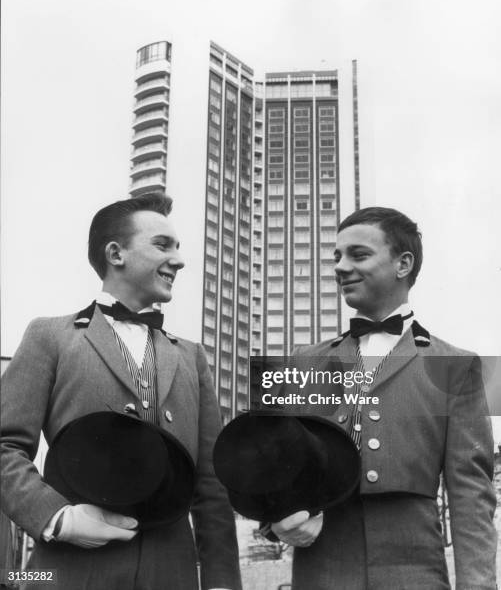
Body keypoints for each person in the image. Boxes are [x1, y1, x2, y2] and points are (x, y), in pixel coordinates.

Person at [1, 192, 241, 590]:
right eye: (163, 245)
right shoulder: (49, 336)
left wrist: (221, 583)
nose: (179, 260)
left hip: (172, 576)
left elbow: (211, 484)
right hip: (68, 575)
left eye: (178, 247)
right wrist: (56, 518)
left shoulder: (192, 356)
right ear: (116, 254)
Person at [267, 207, 496, 589]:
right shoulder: (303, 361)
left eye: (358, 255)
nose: (340, 267)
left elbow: (472, 496)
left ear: (403, 264)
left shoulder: (456, 365)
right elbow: (271, 466)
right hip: (321, 572)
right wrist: (277, 519)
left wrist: (478, 585)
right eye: (336, 257)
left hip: (415, 574)